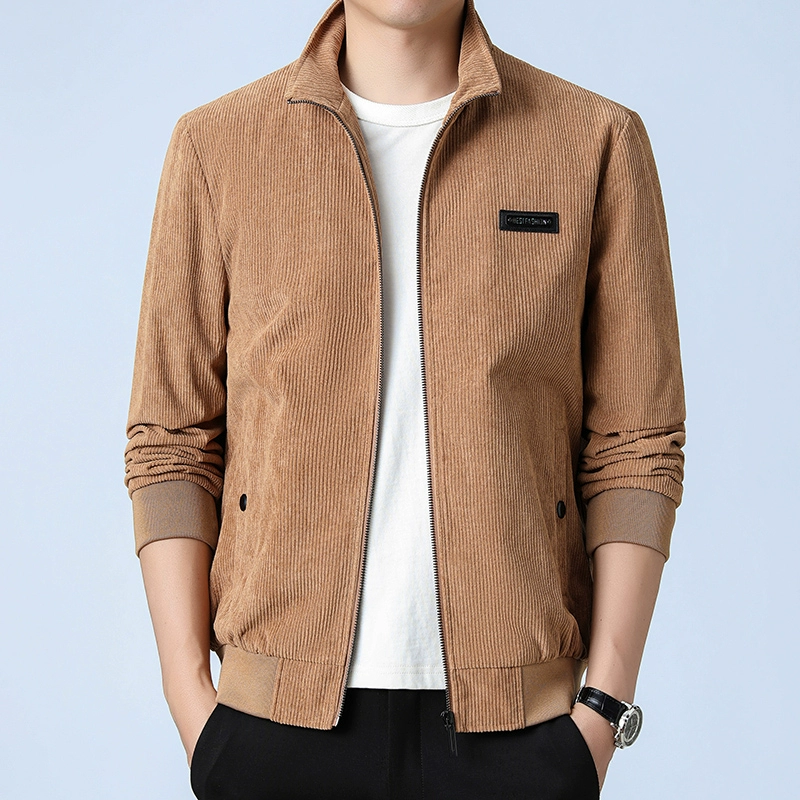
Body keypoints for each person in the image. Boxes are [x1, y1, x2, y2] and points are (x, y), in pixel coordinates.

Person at [124, 0, 686, 797]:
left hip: (521, 730)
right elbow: (172, 440)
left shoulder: (592, 142)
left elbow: (637, 441)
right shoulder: (219, 147)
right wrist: (191, 698)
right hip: (273, 726)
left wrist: (602, 707)